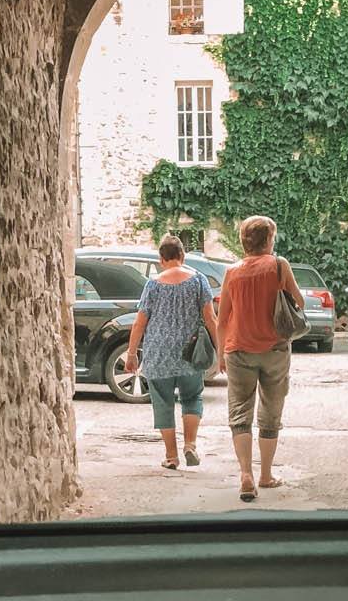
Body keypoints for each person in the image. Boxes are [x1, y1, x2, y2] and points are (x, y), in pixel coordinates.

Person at [217, 214, 300, 502]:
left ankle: (245, 474)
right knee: (270, 412)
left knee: (240, 412)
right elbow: (298, 302)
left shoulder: (232, 272)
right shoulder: (279, 265)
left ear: (244, 241)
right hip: (274, 349)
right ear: (268, 240)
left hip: (238, 349)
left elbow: (222, 317)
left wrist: (220, 354)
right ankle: (265, 474)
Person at [121, 235, 218, 470]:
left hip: (158, 353)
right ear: (182, 256)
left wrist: (132, 353)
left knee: (163, 403)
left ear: (161, 259)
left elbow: (140, 322)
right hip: (191, 353)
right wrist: (221, 352)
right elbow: (210, 318)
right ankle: (190, 445)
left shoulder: (153, 284)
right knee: (192, 397)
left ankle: (172, 457)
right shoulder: (199, 280)